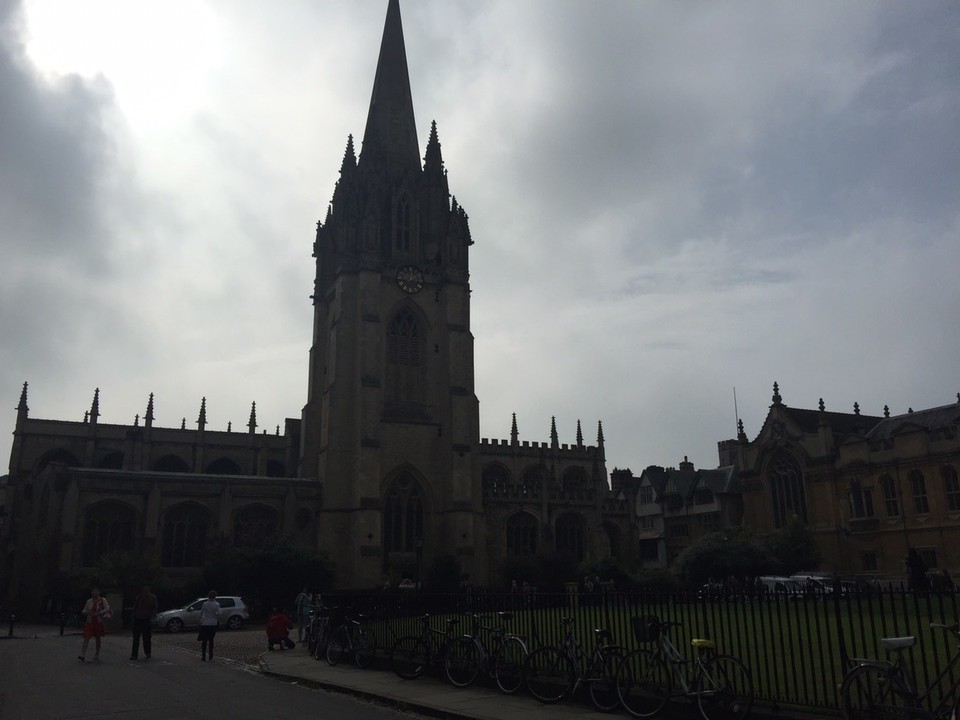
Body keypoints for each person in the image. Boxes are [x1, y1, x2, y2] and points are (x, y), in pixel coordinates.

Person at [78, 588, 111, 662]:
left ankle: (97, 653)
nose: (94, 593)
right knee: (86, 637)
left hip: (98, 621)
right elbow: (84, 610)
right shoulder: (89, 601)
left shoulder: (103, 600)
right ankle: (83, 654)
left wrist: (99, 613)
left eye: (96, 591)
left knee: (97, 637)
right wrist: (85, 612)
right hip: (89, 621)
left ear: (99, 592)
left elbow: (107, 608)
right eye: (93, 591)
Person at [130, 584, 158, 660]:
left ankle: (148, 653)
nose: (145, 590)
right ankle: (134, 654)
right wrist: (133, 617)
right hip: (138, 619)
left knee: (147, 638)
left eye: (147, 588)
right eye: (144, 588)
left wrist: (152, 618)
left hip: (146, 619)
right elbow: (135, 607)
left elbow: (154, 609)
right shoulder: (139, 597)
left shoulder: (152, 598)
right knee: (136, 638)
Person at [197, 590, 220, 661]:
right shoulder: (217, 604)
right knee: (211, 640)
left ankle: (203, 656)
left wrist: (199, 621)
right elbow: (219, 613)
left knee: (204, 640)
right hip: (213, 623)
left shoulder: (205, 604)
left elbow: (201, 613)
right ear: (215, 596)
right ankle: (210, 655)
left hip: (205, 623)